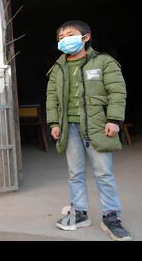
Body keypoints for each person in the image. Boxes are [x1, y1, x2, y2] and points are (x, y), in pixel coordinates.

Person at [46, 20, 132, 241]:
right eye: (61, 37)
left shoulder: (103, 62)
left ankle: (111, 216)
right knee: (75, 173)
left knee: (103, 173)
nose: (65, 40)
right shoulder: (58, 67)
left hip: (97, 125)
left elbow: (117, 92)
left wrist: (114, 119)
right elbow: (52, 98)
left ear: (85, 37)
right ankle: (80, 213)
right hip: (70, 127)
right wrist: (54, 123)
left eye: (71, 35)